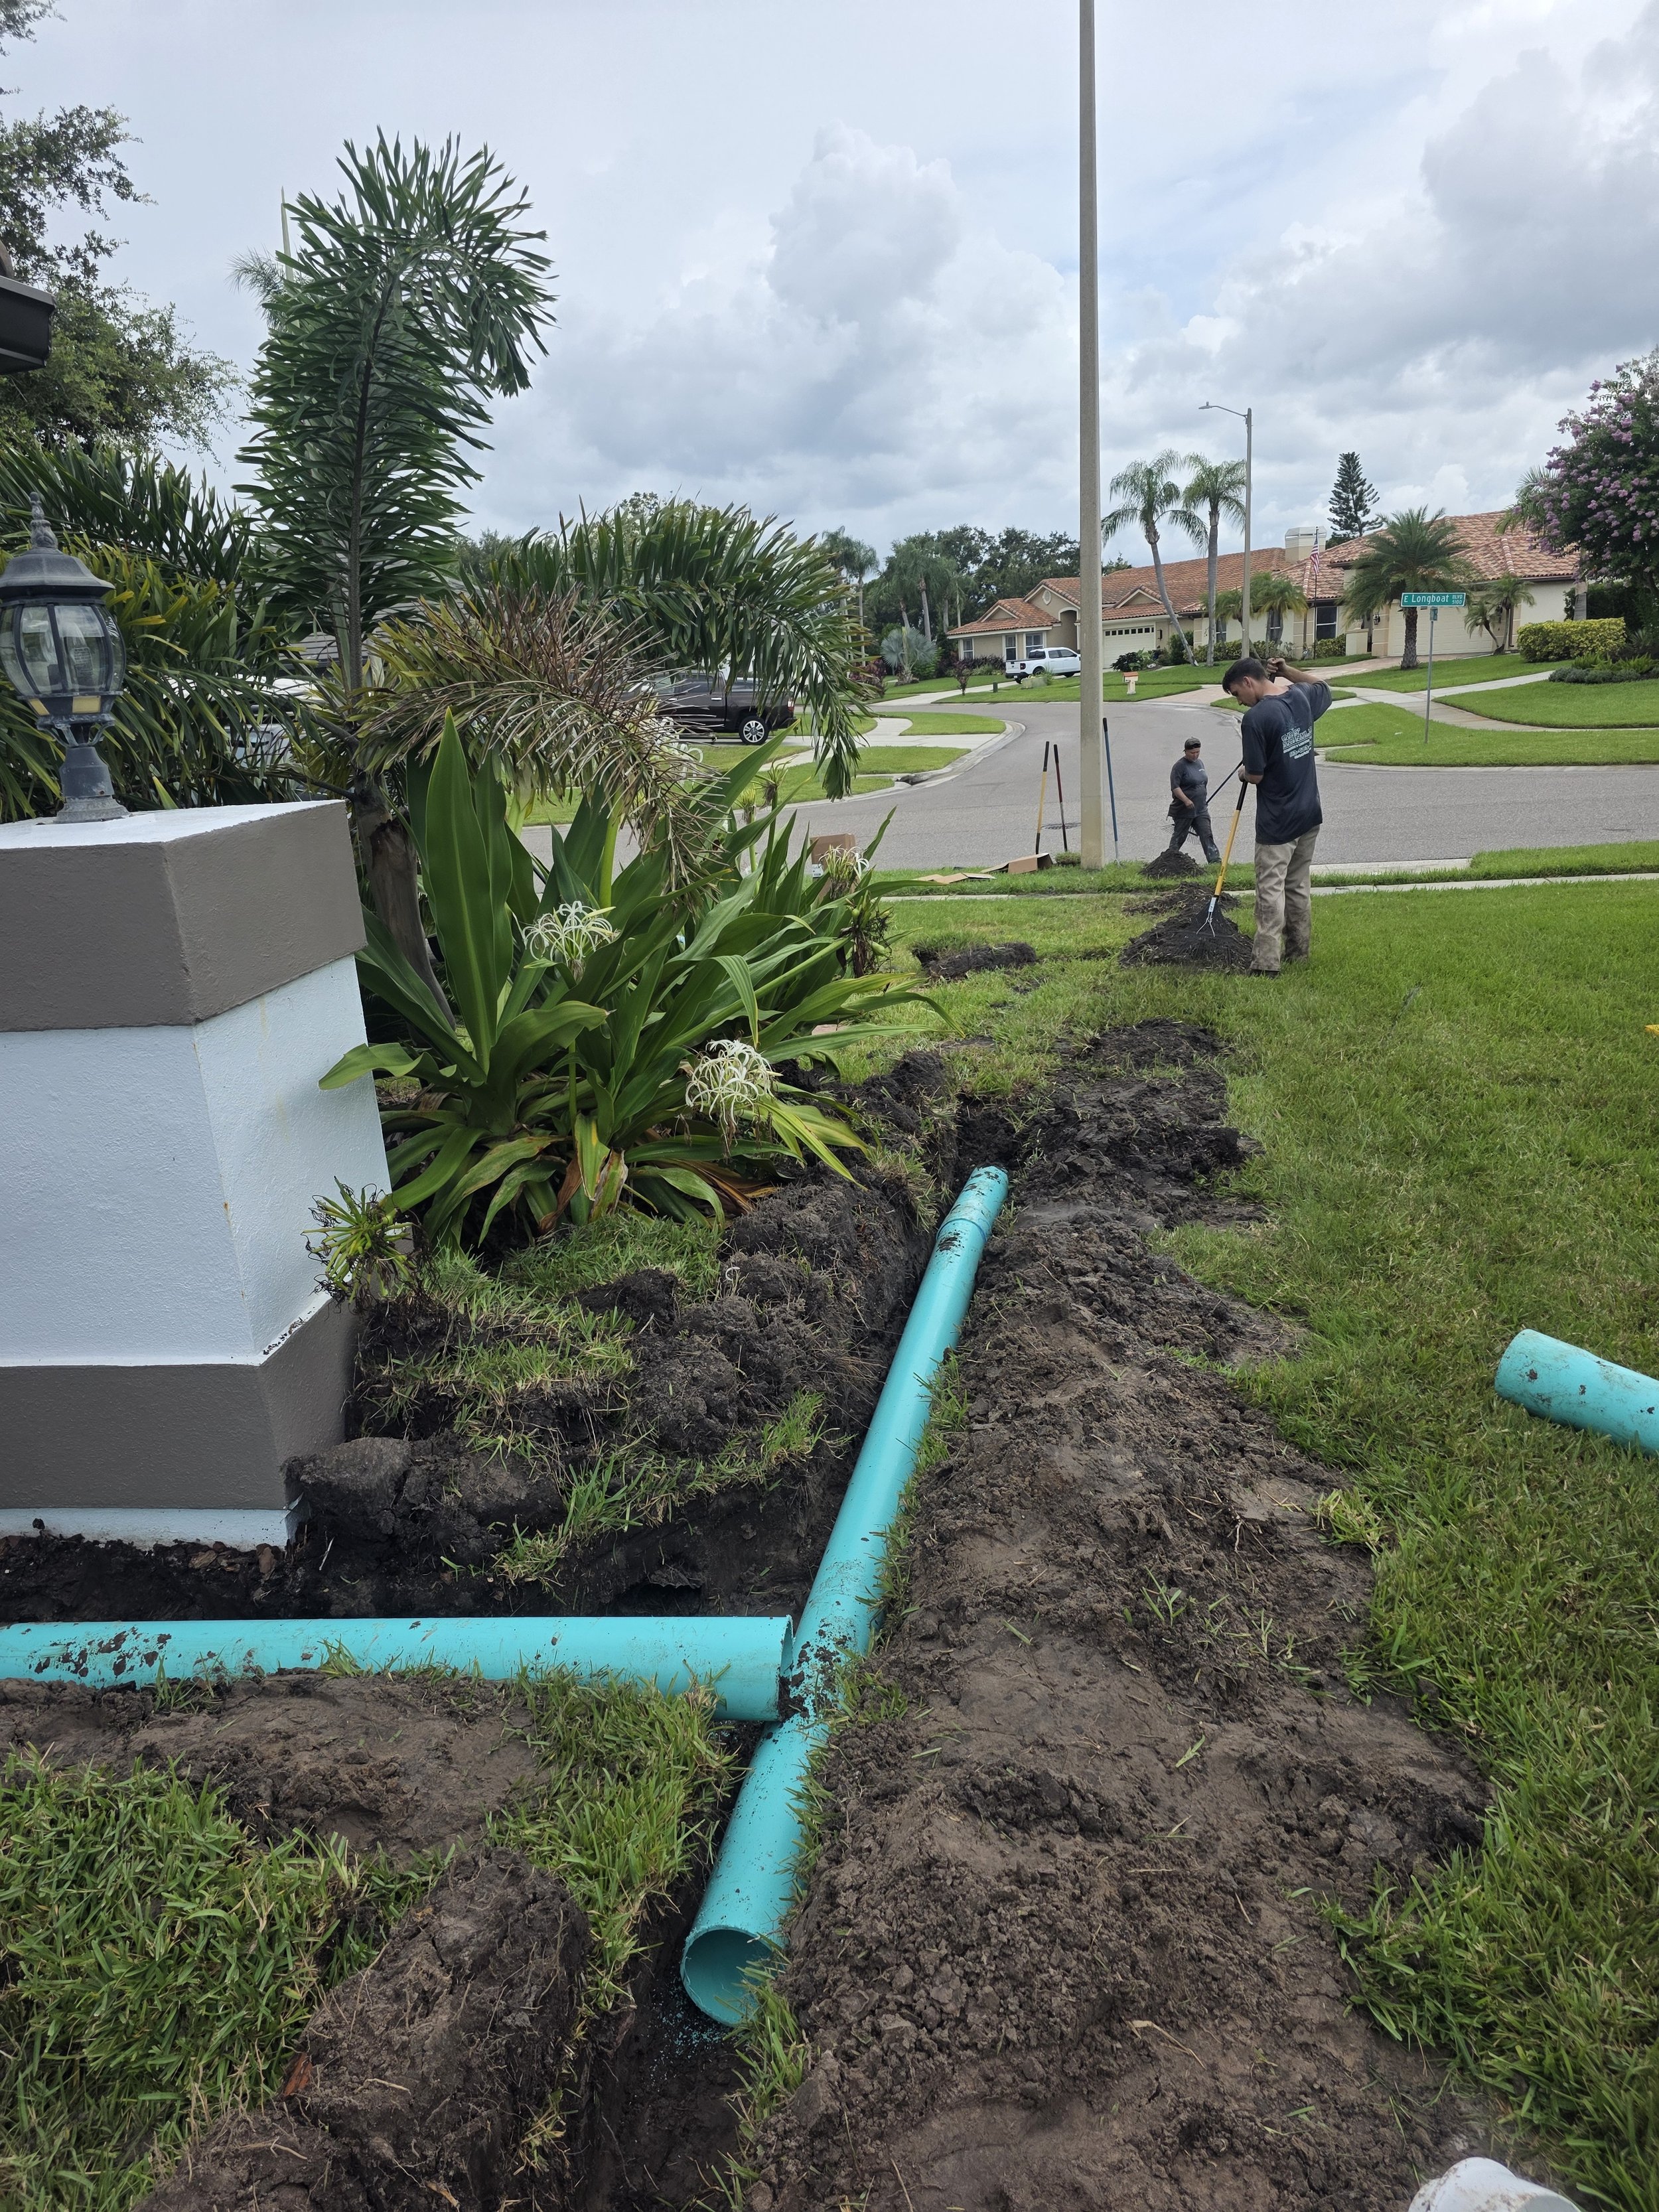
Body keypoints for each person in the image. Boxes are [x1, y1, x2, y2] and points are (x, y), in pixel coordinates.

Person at [1220, 654, 1331, 975]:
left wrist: (1244, 774)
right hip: (1309, 814)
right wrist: (1287, 672)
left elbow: (1255, 775)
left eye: (1237, 695)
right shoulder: (1300, 697)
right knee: (1297, 887)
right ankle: (1299, 953)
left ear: (1247, 682)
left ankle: (1266, 964)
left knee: (1270, 890)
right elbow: (1322, 686)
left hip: (1278, 823)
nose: (1240, 702)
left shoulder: (1256, 719)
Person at [1166, 735, 1222, 864]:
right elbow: (1175, 787)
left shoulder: (1200, 763)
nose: (1195, 755)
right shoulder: (1179, 766)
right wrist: (1186, 800)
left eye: (1198, 752)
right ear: (1185, 751)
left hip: (1201, 809)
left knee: (1206, 834)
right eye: (1192, 753)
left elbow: (1203, 783)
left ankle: (1215, 862)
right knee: (1180, 836)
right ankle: (1169, 861)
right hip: (1184, 810)